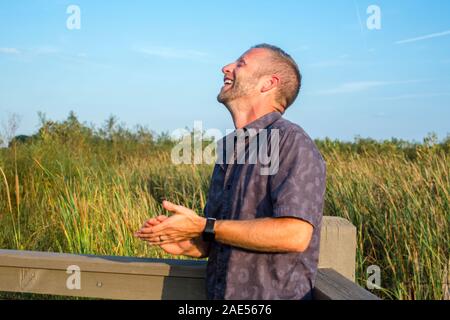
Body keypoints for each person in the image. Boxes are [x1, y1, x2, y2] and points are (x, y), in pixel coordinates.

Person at [135, 44, 327, 300]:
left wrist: (205, 226)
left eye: (241, 64)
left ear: (268, 83)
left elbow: (295, 234)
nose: (225, 68)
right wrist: (190, 243)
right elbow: (221, 234)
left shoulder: (292, 142)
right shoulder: (229, 148)